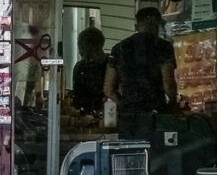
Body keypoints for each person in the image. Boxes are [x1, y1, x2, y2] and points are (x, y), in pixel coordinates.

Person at [103, 7, 178, 138]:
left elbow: (108, 89)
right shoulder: (164, 47)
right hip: (155, 117)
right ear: (157, 25)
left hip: (128, 119)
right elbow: (168, 85)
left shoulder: (118, 49)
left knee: (129, 154)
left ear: (137, 25)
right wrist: (172, 103)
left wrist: (125, 104)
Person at [72, 26, 107, 117]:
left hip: (105, 114)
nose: (81, 52)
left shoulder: (80, 67)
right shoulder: (80, 67)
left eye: (83, 48)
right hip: (91, 115)